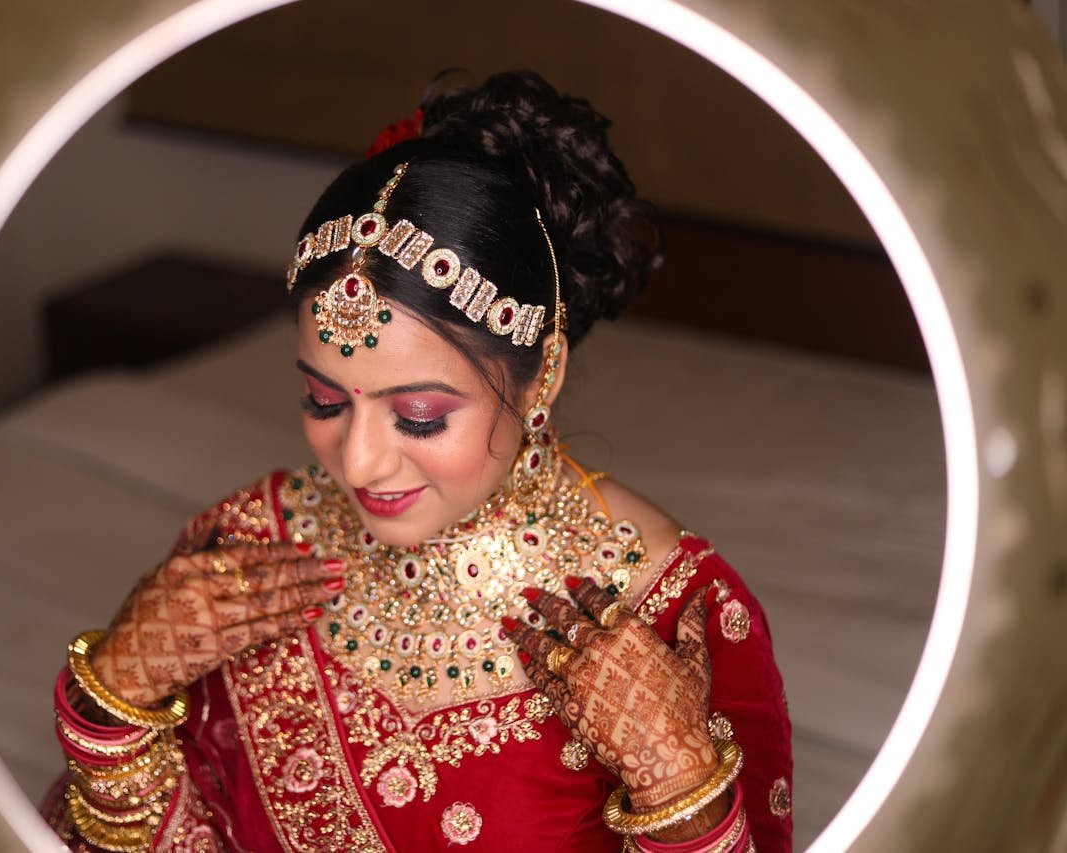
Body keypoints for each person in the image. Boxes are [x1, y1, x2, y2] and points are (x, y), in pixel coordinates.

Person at [42, 71, 793, 852]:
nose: (359, 463)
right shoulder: (241, 551)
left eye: (419, 415)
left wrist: (679, 784)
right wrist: (115, 697)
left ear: (547, 373)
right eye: (324, 401)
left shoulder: (676, 609)